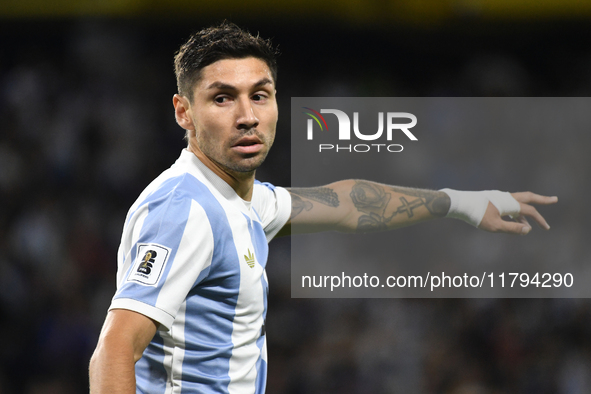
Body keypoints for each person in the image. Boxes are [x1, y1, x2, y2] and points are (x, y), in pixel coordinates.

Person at [88, 21, 557, 393]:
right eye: (222, 98)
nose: (247, 116)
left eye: (260, 95)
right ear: (183, 111)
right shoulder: (185, 209)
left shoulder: (237, 198)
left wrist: (464, 203)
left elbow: (349, 203)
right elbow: (114, 349)